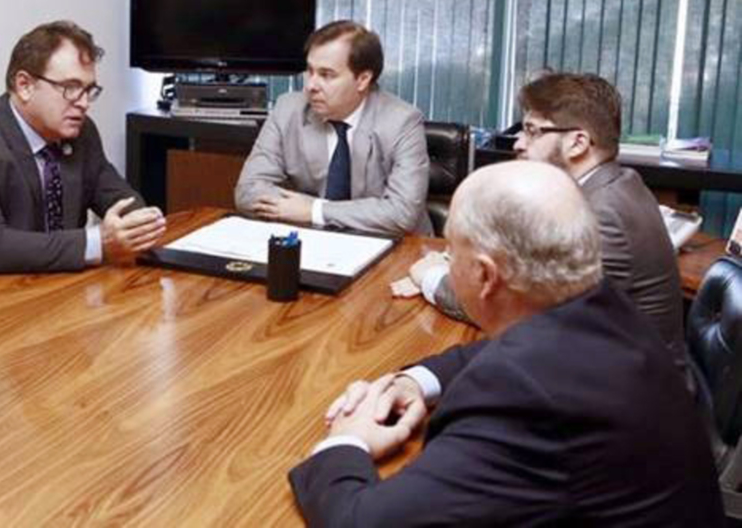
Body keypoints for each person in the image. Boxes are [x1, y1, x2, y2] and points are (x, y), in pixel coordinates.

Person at [289, 160, 724, 526]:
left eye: (449, 252)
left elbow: (361, 522)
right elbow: (496, 353)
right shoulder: (604, 310)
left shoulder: (524, 400)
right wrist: (415, 383)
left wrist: (347, 441)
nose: (442, 261)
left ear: (484, 274)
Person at [414, 71, 691, 390]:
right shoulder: (616, 184)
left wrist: (433, 278)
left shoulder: (602, 216)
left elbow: (520, 316)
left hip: (628, 397)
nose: (518, 143)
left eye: (532, 131)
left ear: (578, 142)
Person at [0, 20, 165, 274]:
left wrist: (136, 224)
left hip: (61, 283)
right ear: (25, 86)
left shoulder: (81, 132)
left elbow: (119, 197)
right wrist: (98, 242)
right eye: (71, 88)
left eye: (89, 90)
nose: (84, 103)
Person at [235, 20, 432, 236]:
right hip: (316, 243)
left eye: (326, 75)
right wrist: (300, 210)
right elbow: (248, 191)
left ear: (363, 79)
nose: (311, 85)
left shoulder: (402, 122)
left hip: (395, 248)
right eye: (309, 71)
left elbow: (401, 213)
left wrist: (314, 210)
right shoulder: (288, 109)